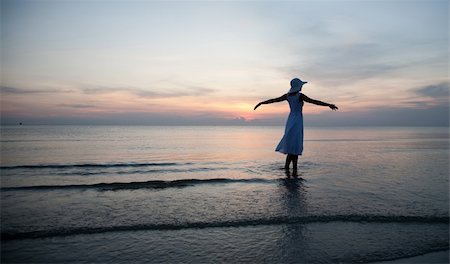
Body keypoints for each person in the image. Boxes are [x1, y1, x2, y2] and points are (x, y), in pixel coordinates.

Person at [254, 78, 338, 176]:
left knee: (292, 144)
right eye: (301, 85)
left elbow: (274, 100)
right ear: (298, 86)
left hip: (291, 120)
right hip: (297, 120)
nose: (302, 87)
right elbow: (314, 101)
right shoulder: (300, 96)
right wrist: (328, 105)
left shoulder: (288, 96)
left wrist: (261, 103)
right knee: (295, 144)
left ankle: (289, 170)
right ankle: (293, 170)